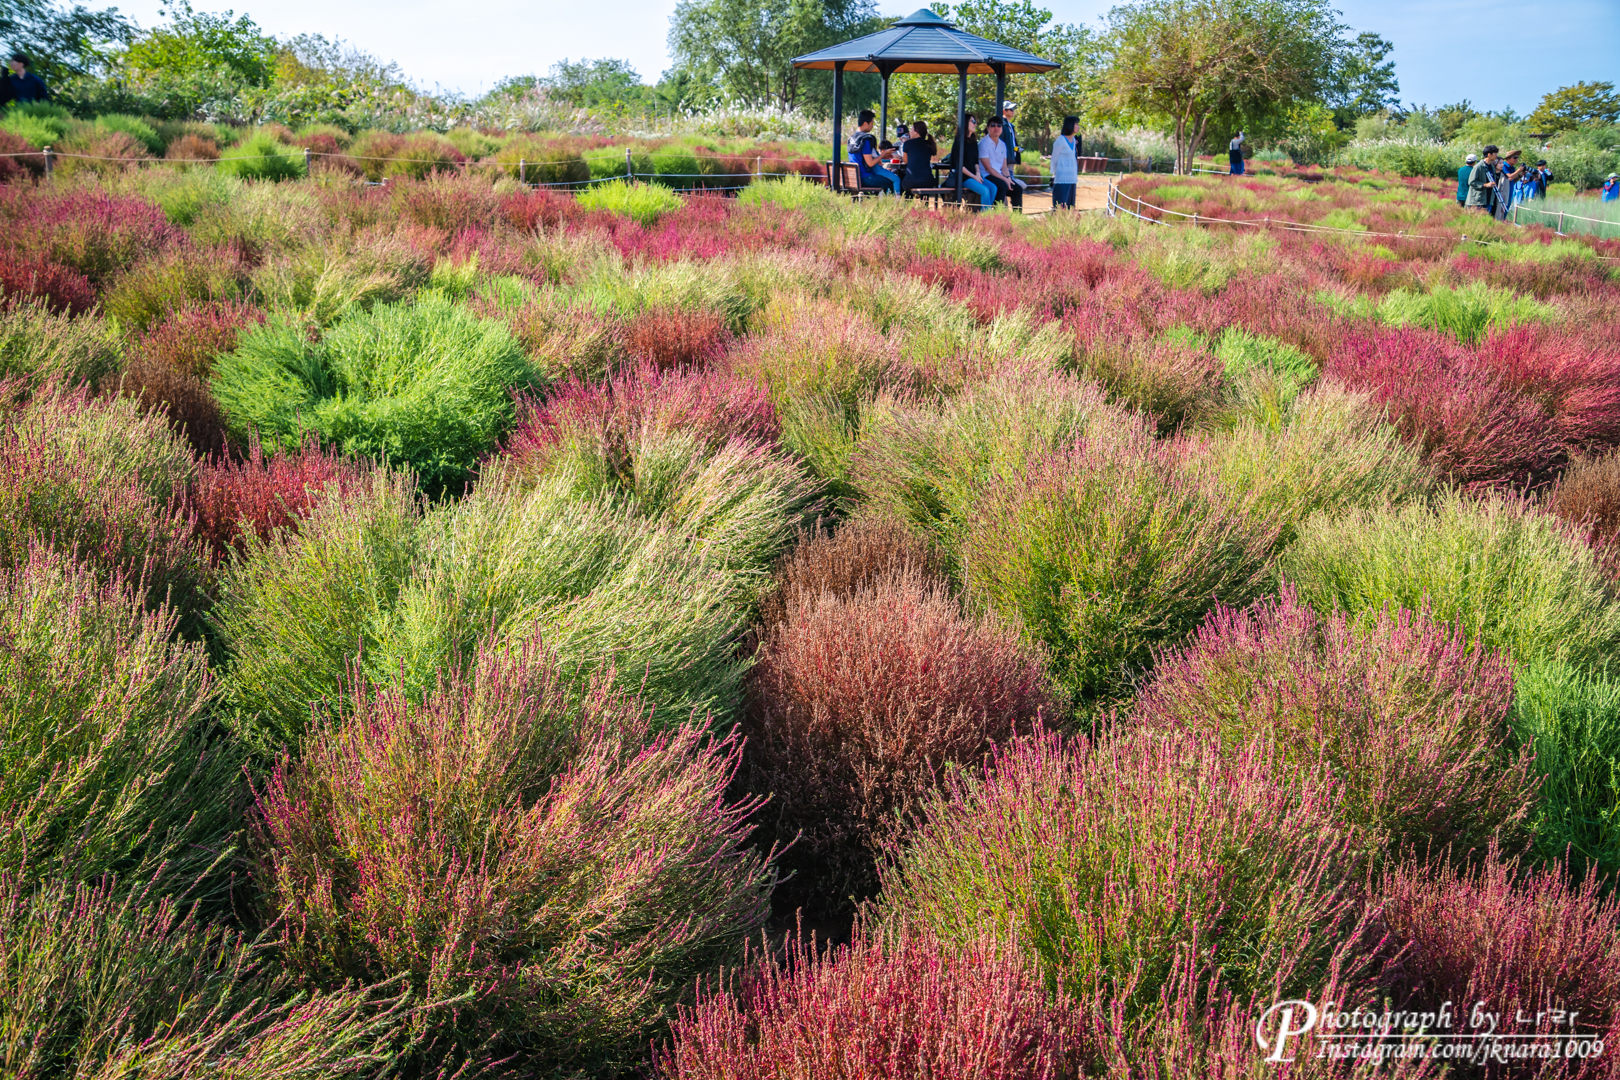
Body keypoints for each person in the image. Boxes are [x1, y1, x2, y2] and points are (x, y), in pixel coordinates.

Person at [939, 114, 993, 208]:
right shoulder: (959, 142)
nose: (975, 124)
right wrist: (974, 176)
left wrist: (978, 173)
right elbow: (959, 166)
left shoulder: (973, 141)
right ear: (965, 123)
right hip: (963, 178)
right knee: (985, 191)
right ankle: (986, 216)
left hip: (974, 176)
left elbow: (976, 161)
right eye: (973, 121)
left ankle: (984, 212)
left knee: (993, 188)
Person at [847, 109, 901, 195]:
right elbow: (870, 163)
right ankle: (896, 205)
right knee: (896, 181)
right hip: (866, 178)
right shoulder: (865, 140)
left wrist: (881, 156)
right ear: (865, 123)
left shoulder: (851, 139)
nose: (872, 126)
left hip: (855, 179)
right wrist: (884, 153)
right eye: (872, 123)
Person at [979, 117, 1023, 209]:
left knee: (1017, 189)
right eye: (993, 125)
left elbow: (1004, 167)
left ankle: (1017, 217)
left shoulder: (1003, 144)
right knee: (1002, 185)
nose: (996, 128)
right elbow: (988, 168)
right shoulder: (983, 143)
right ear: (988, 128)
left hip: (999, 175)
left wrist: (1008, 178)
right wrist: (1004, 179)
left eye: (999, 125)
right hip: (986, 175)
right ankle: (997, 215)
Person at [899, 120, 938, 194]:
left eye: (911, 129)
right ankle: (925, 203)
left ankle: (907, 202)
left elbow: (906, 161)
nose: (910, 132)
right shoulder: (928, 144)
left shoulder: (907, 143)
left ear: (917, 131)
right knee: (924, 183)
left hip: (911, 181)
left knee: (902, 181)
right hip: (928, 181)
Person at [1050, 115, 1079, 209]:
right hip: (1061, 179)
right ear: (1070, 125)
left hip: (1072, 178)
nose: (1078, 126)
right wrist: (1053, 175)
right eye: (1076, 124)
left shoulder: (1074, 140)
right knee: (1060, 207)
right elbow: (1054, 159)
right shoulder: (1060, 140)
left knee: (1070, 207)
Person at [1466, 146, 1499, 213]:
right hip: (1478, 201)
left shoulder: (1492, 167)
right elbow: (1471, 181)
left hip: (1489, 200)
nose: (1497, 156)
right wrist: (1485, 185)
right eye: (1495, 153)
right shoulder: (1478, 166)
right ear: (1489, 154)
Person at [998, 101, 1021, 167]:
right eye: (1011, 109)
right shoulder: (1001, 125)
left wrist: (1017, 149)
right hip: (1004, 161)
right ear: (1004, 111)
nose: (1013, 111)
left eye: (1013, 109)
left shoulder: (1011, 126)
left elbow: (1012, 145)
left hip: (1011, 160)